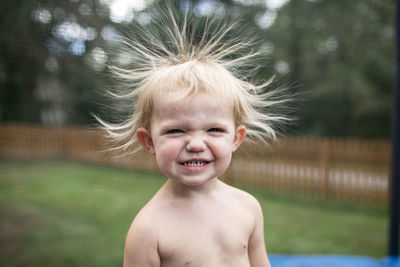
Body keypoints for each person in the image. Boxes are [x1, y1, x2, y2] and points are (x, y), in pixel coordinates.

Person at [98, 3, 288, 267]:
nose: (196, 144)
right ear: (149, 141)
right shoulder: (148, 230)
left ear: (236, 138)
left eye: (214, 130)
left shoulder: (248, 207)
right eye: (176, 130)